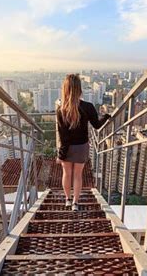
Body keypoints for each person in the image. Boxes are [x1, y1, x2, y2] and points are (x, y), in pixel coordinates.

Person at [56, 74, 110, 211]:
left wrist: (61, 155)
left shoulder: (61, 110)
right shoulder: (88, 106)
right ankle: (75, 203)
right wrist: (106, 117)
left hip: (66, 148)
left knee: (66, 174)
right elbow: (97, 125)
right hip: (81, 147)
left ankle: (67, 200)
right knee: (77, 175)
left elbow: (63, 136)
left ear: (65, 89)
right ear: (79, 89)